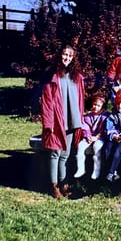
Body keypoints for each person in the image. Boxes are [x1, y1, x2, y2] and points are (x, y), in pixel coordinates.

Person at [41, 45, 85, 199]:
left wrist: (80, 119)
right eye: (64, 54)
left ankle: (64, 184)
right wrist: (49, 123)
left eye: (69, 55)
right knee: (55, 153)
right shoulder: (52, 76)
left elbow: (80, 99)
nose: (66, 57)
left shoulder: (76, 76)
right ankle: (53, 186)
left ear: (73, 58)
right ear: (59, 55)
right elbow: (46, 102)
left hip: (72, 120)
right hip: (57, 121)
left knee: (65, 155)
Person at [73, 94, 109, 180]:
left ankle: (97, 169)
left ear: (103, 107)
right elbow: (85, 127)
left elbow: (104, 129)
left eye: (98, 106)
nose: (95, 107)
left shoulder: (105, 116)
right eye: (94, 104)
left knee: (97, 146)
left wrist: (96, 137)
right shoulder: (87, 116)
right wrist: (87, 136)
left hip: (100, 137)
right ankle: (81, 168)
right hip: (89, 137)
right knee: (81, 146)